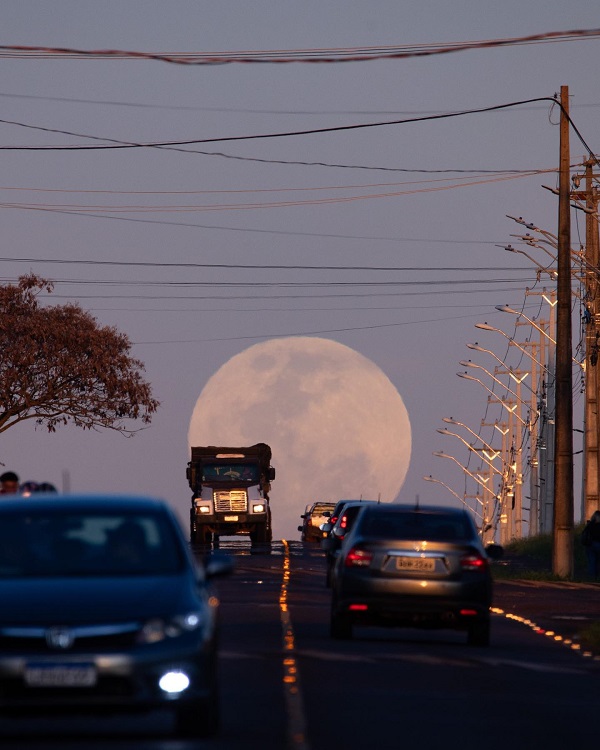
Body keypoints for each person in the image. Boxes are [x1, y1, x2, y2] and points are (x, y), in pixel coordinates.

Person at [582, 510, 600, 578]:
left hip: (590, 544)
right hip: (598, 544)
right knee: (598, 561)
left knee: (591, 561)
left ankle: (591, 576)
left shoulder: (590, 524)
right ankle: (597, 576)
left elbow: (584, 533)